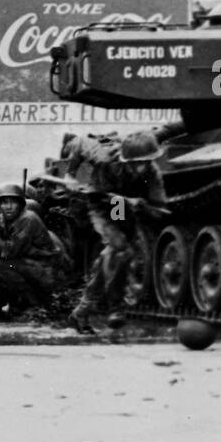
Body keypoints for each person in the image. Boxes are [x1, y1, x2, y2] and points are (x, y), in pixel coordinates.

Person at [65, 130, 169, 333]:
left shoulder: (152, 171)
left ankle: (81, 311)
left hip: (121, 206)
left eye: (146, 162)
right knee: (120, 249)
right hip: (103, 204)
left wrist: (145, 206)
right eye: (137, 163)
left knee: (114, 255)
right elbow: (78, 143)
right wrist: (70, 174)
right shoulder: (104, 157)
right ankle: (115, 308)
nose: (142, 168)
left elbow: (159, 207)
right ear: (126, 160)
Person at [0, 183, 63, 319]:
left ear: (21, 204)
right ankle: (21, 303)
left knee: (1, 268)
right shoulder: (3, 221)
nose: (9, 206)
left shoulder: (27, 219)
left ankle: (37, 306)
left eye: (13, 202)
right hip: (29, 267)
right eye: (4, 202)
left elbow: (8, 253)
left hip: (48, 270)